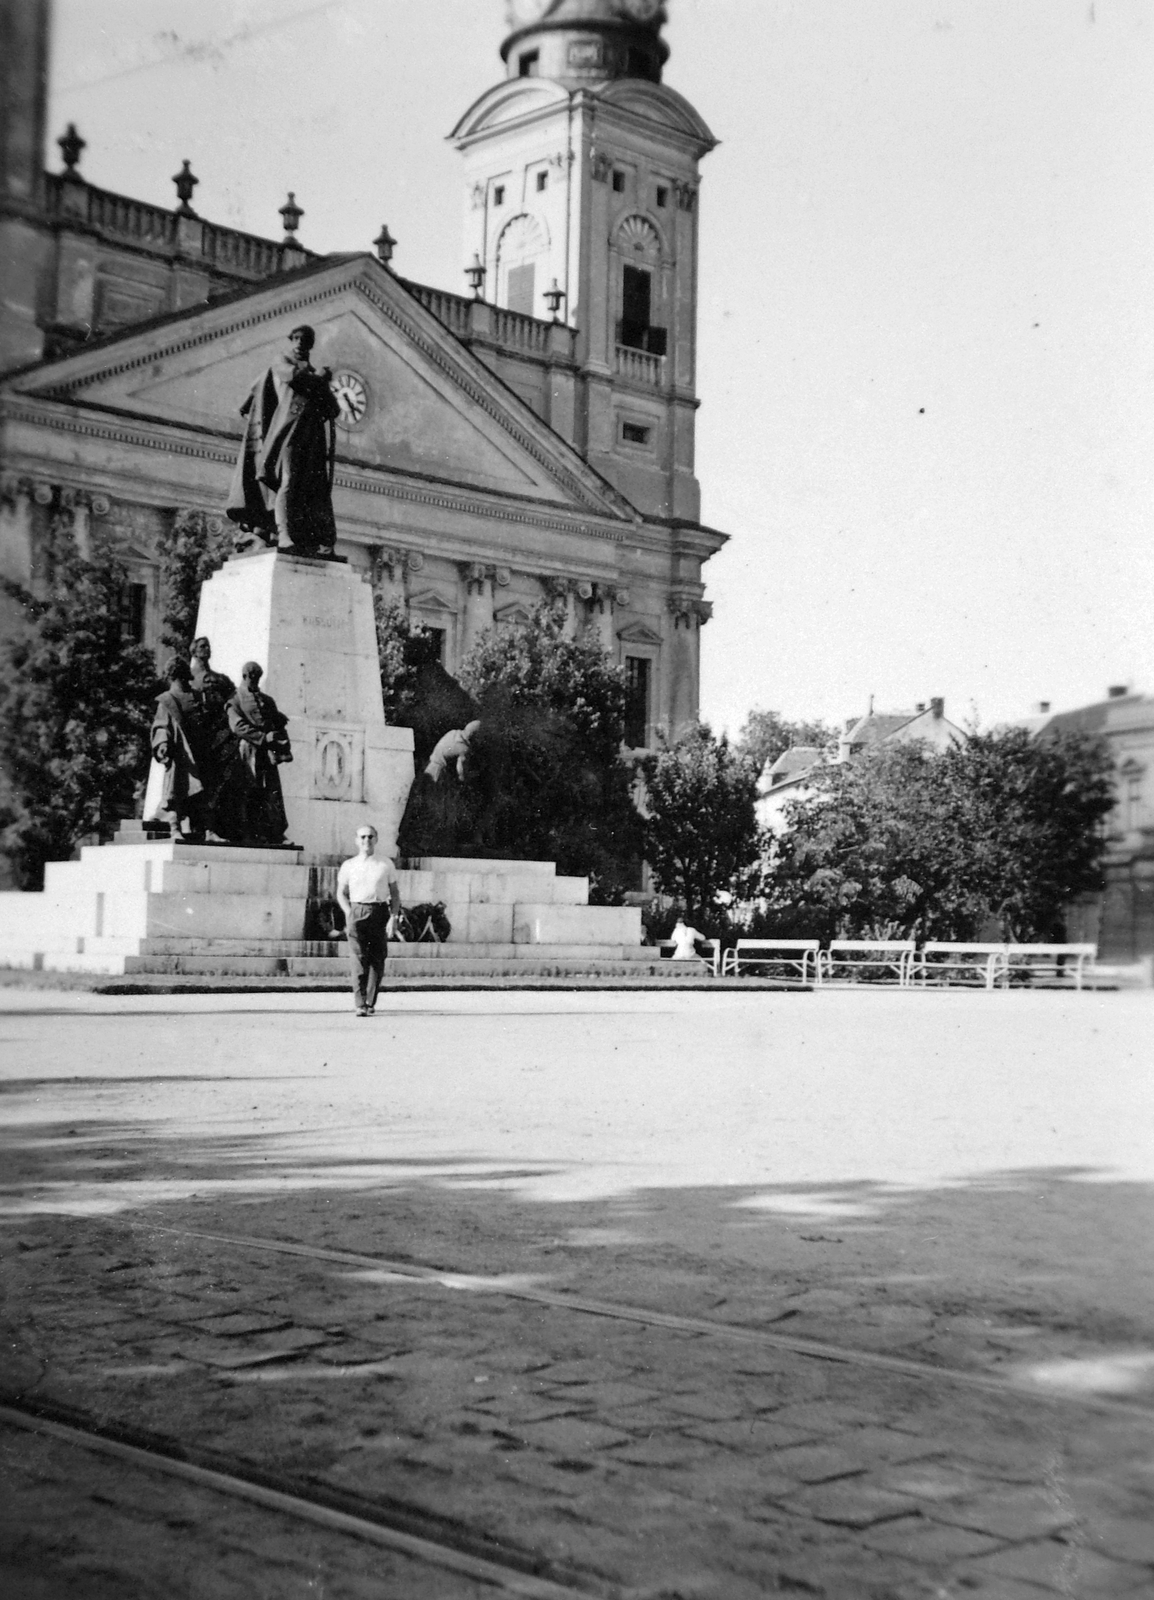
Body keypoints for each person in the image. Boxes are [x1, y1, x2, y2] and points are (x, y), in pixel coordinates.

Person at [224, 324, 341, 556]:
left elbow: (333, 409)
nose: (299, 343)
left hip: (313, 439)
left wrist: (322, 386)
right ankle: (284, 534)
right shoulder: (282, 362)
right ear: (291, 341)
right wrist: (320, 380)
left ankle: (310, 537)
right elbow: (295, 378)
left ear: (310, 344)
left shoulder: (314, 374)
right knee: (288, 481)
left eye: (305, 339)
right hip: (288, 433)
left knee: (311, 490)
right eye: (296, 338)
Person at [336, 825, 401, 1017]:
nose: (367, 840)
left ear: (376, 839)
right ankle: (359, 1003)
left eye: (370, 836)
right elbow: (340, 893)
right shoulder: (349, 865)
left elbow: (395, 894)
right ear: (357, 840)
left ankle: (370, 1001)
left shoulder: (385, 863)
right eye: (363, 837)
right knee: (358, 958)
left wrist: (393, 918)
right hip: (357, 910)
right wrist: (349, 913)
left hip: (380, 910)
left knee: (377, 958)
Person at [224, 661, 292, 844]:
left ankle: (275, 832)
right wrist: (262, 737)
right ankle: (247, 832)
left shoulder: (267, 701)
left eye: (257, 677)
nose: (255, 681)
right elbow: (237, 726)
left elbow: (277, 722)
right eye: (252, 677)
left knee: (271, 791)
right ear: (244, 676)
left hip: (267, 754)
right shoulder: (235, 700)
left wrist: (280, 741)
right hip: (248, 751)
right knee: (248, 791)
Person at [143, 657, 210, 839]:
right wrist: (163, 744)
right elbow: (161, 726)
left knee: (203, 793)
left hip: (199, 752)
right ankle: (174, 825)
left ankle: (205, 829)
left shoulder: (197, 696)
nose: (180, 679)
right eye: (176, 675)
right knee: (176, 790)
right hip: (180, 755)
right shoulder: (166, 700)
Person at [189, 636, 237, 838]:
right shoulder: (189, 678)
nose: (206, 649)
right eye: (202, 646)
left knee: (219, 782)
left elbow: (234, 698)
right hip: (200, 737)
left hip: (220, 736)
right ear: (194, 651)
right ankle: (201, 827)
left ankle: (214, 827)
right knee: (202, 784)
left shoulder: (220, 679)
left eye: (208, 646)